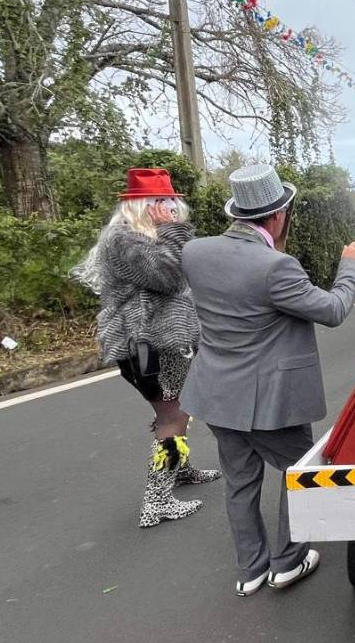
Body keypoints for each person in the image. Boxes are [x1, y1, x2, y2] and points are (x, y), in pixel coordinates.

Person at [179, 164, 355, 597]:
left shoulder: (195, 252)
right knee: (300, 470)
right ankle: (288, 560)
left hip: (215, 394)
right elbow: (333, 310)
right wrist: (349, 267)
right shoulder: (275, 266)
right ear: (279, 214)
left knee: (240, 481)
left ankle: (250, 571)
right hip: (270, 401)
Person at [73, 168, 221, 529]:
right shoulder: (125, 240)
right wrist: (174, 232)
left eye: (172, 202)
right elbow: (169, 277)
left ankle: (180, 471)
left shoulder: (139, 236)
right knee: (173, 418)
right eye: (165, 202)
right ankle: (157, 501)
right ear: (147, 206)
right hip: (148, 346)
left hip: (156, 343)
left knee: (176, 410)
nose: (172, 209)